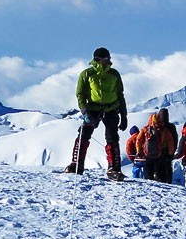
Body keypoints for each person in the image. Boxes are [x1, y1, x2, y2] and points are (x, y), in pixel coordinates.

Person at [65, 47, 128, 180]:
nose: (109, 61)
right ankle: (77, 164)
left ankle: (114, 168)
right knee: (84, 134)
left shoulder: (114, 74)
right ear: (98, 59)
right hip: (92, 108)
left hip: (111, 108)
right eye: (107, 58)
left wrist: (123, 115)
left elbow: (120, 94)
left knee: (112, 138)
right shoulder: (87, 74)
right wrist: (85, 112)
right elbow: (80, 95)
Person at [142, 108, 178, 184]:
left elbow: (139, 140)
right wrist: (171, 153)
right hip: (165, 153)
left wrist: (141, 151)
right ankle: (167, 184)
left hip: (150, 153)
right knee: (165, 170)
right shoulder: (169, 127)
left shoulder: (149, 128)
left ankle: (149, 183)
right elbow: (173, 140)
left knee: (150, 169)